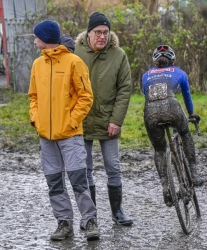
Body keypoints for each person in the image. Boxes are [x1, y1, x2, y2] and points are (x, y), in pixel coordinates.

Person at [28, 20, 100, 241]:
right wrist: (36, 119)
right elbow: (33, 97)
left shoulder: (74, 62)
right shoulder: (37, 65)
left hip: (70, 134)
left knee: (78, 179)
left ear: (46, 39)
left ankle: (89, 221)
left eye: (36, 37)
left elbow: (86, 96)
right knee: (54, 182)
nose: (34, 41)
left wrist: (71, 121)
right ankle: (64, 223)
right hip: (46, 136)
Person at [74, 12, 133, 226]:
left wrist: (116, 120)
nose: (102, 36)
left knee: (113, 167)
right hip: (82, 120)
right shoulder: (76, 52)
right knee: (85, 168)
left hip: (109, 120)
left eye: (105, 32)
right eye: (98, 32)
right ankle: (91, 216)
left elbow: (125, 89)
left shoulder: (119, 55)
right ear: (88, 33)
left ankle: (117, 212)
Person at [141, 45, 204, 207]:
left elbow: (146, 94)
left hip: (151, 113)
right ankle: (195, 174)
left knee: (160, 150)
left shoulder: (146, 75)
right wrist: (191, 114)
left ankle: (166, 187)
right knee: (185, 134)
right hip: (173, 108)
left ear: (155, 61)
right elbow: (187, 97)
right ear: (173, 60)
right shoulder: (179, 73)